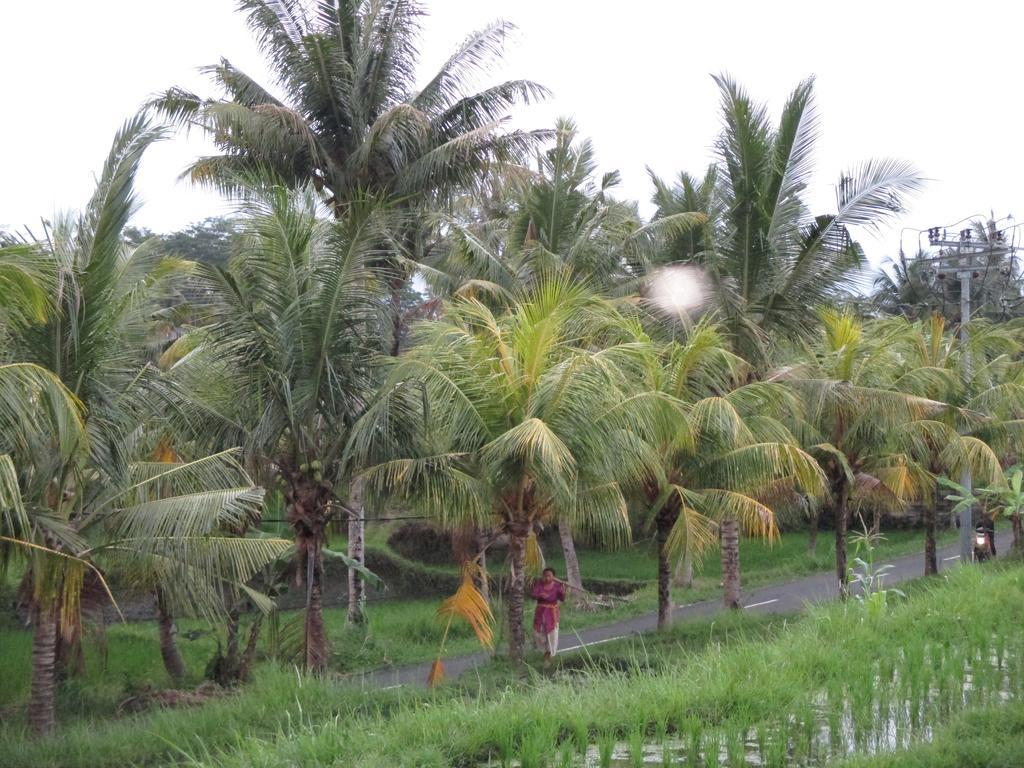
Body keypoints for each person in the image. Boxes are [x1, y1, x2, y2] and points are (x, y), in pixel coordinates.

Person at [530, 567, 566, 663]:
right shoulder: (539, 585)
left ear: (553, 577)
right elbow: (533, 595)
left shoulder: (557, 586)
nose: (547, 578)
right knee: (538, 633)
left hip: (552, 613)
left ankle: (549, 654)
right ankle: (543, 651)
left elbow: (562, 598)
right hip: (540, 612)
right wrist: (540, 595)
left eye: (549, 576)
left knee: (552, 633)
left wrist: (563, 589)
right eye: (545, 576)